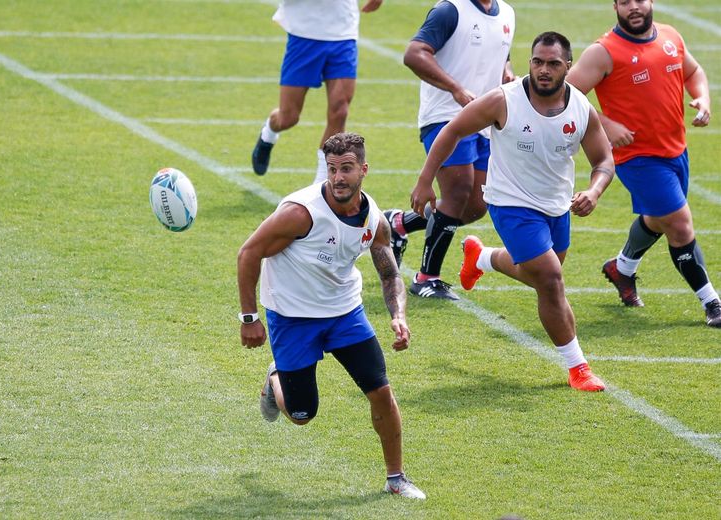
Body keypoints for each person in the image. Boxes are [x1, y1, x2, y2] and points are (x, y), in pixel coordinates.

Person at [417, 32, 615, 391]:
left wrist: (595, 191)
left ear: (568, 67)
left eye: (553, 63)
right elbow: (452, 131)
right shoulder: (502, 101)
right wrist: (425, 181)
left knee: (541, 275)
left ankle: (483, 258)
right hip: (511, 203)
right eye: (537, 61)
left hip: (557, 206)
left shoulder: (581, 108)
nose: (543, 70)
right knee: (551, 280)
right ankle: (578, 368)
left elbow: (604, 160)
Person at [238, 132, 426, 498]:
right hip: (292, 317)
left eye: (347, 169)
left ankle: (396, 479)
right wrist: (249, 318)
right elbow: (249, 252)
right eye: (332, 169)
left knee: (381, 392)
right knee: (302, 415)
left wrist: (398, 315)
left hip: (344, 313)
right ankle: (275, 378)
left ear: (363, 170)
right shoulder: (300, 214)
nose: (339, 177)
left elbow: (389, 273)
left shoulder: (373, 219)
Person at [565, 0, 721, 328]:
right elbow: (567, 94)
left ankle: (621, 269)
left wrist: (703, 97)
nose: (633, 7)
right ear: (615, 6)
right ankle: (712, 303)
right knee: (678, 224)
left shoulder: (670, 36)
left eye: (639, 0)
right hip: (637, 158)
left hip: (676, 151)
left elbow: (694, 72)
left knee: (657, 217)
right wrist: (606, 125)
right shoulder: (603, 51)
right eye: (625, 2)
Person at [383, 0, 515, 300]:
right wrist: (454, 87)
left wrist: (507, 73)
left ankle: (399, 224)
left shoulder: (507, 13)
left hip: (484, 119)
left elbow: (502, 55)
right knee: (457, 191)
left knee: (476, 204)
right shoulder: (449, 10)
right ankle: (426, 277)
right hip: (444, 114)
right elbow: (414, 54)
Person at [251, 0, 382, 182]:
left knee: (340, 110)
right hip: (304, 33)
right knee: (288, 117)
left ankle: (321, 184)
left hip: (343, 32)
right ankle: (269, 133)